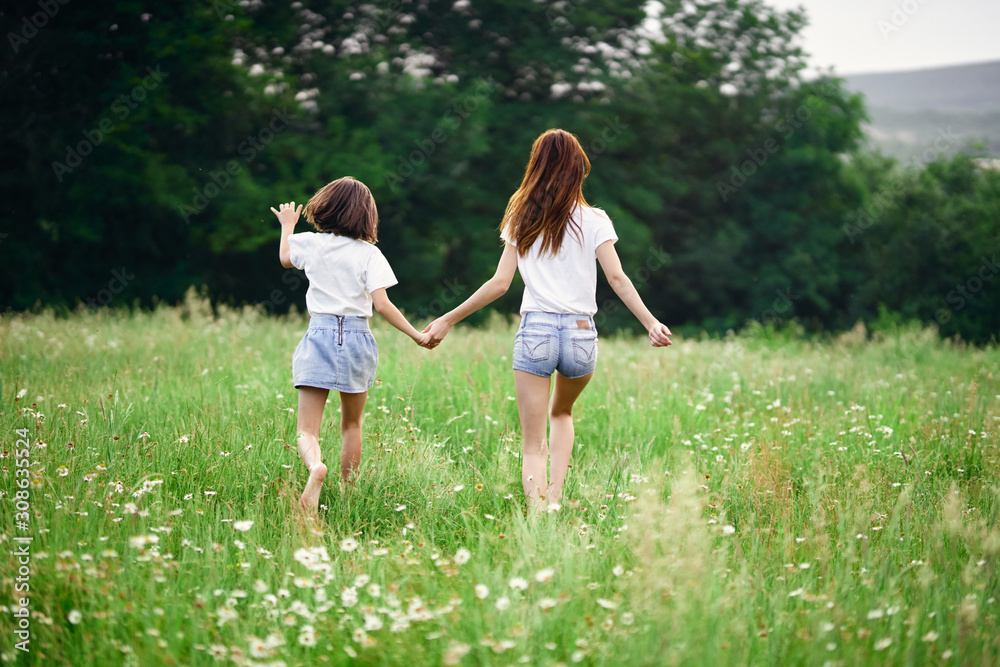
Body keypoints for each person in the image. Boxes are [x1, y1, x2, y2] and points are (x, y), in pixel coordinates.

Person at [422, 129, 672, 512]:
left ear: (535, 165)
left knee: (532, 443)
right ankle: (555, 498)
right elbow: (617, 279)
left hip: (536, 331)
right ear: (578, 169)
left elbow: (499, 284)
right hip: (581, 334)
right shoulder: (596, 219)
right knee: (563, 412)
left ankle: (539, 518)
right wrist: (650, 322)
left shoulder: (520, 214)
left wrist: (448, 319)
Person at [272, 177, 429, 515]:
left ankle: (316, 467)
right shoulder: (370, 254)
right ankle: (348, 494)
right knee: (352, 424)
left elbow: (286, 257)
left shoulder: (311, 244)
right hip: (358, 336)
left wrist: (288, 225)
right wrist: (416, 334)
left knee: (306, 430)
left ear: (325, 207)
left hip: (320, 333)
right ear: (366, 216)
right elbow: (383, 305)